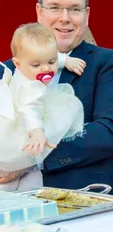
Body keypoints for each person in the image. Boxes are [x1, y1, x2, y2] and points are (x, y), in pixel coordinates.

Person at [0, 0, 113, 196]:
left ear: (86, 14)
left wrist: (24, 160)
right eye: (54, 7)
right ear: (39, 12)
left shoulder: (110, 63)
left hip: (87, 197)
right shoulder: (10, 70)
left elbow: (107, 132)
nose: (65, 17)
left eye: (74, 9)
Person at [0, 23, 84, 191]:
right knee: (20, 184)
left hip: (19, 133)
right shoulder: (30, 86)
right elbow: (29, 108)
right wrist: (37, 132)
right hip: (22, 132)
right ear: (17, 63)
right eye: (36, 65)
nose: (46, 68)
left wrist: (65, 60)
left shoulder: (27, 65)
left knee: (30, 176)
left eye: (51, 62)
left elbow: (45, 57)